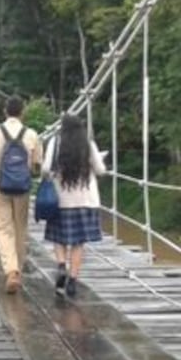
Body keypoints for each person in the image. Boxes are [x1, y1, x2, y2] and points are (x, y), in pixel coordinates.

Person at [42, 113, 107, 298]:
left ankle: (62, 265)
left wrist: (55, 173)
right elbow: (100, 170)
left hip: (60, 201)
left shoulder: (55, 144)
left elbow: (46, 169)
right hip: (85, 201)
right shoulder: (88, 144)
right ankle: (72, 280)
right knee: (79, 242)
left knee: (58, 238)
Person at [0, 96, 42, 293]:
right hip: (23, 189)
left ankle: (11, 270)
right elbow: (36, 165)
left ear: (4, 112)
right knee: (20, 229)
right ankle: (18, 269)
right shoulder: (32, 134)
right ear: (22, 112)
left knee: (2, 228)